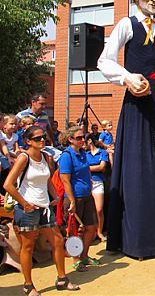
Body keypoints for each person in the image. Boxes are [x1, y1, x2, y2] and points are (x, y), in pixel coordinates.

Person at [97, 0, 155, 258]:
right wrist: (128, 78)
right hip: (136, 105)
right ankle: (135, 241)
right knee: (136, 168)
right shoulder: (126, 23)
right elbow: (104, 61)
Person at [3, 126, 79, 295]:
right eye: (38, 138)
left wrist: (56, 198)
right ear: (28, 141)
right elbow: (8, 184)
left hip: (45, 207)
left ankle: (62, 278)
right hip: (27, 210)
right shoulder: (23, 158)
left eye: (43, 137)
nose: (42, 140)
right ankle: (28, 285)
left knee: (58, 241)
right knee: (28, 247)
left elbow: (49, 181)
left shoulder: (45, 156)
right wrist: (24, 203)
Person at [58, 126, 99, 272]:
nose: (83, 140)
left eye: (84, 137)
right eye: (79, 138)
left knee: (91, 227)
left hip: (87, 196)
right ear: (70, 139)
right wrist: (72, 201)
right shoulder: (66, 156)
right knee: (74, 231)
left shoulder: (83, 153)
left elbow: (86, 171)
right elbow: (65, 180)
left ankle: (84, 256)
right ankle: (76, 260)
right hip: (74, 198)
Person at [85, 133, 109, 241]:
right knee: (90, 210)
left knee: (99, 209)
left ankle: (99, 231)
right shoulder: (85, 154)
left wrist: (87, 168)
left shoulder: (102, 152)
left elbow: (102, 167)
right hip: (87, 183)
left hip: (98, 182)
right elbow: (98, 167)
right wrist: (96, 167)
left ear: (89, 141)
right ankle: (92, 232)